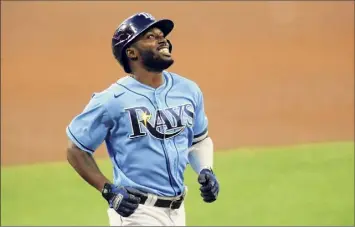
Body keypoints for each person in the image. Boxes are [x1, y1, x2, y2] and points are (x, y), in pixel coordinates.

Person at [66, 12, 220, 226]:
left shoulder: (188, 90)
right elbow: (76, 149)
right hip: (136, 213)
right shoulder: (112, 100)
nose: (162, 39)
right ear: (132, 53)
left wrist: (206, 169)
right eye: (150, 37)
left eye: (162, 35)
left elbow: (198, 139)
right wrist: (108, 190)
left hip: (177, 212)